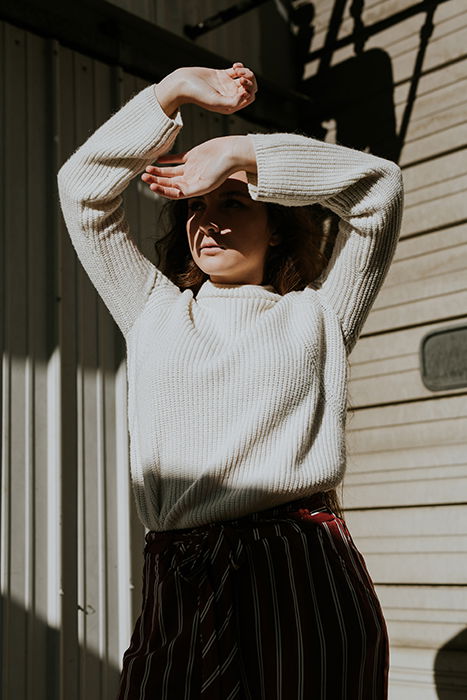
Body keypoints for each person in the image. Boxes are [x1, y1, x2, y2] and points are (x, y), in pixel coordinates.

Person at [57, 61, 403, 700]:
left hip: (302, 571)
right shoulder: (155, 310)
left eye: (234, 204)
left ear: (278, 226)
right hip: (184, 576)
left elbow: (381, 191)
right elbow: (82, 190)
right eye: (196, 206)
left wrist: (240, 153)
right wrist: (172, 92)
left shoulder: (320, 315)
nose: (207, 220)